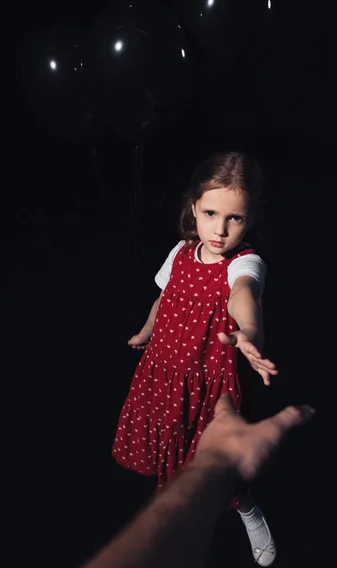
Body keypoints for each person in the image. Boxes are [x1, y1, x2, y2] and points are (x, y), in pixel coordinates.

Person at [112, 151, 279, 565]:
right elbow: (164, 298)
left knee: (215, 462)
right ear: (194, 208)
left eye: (234, 219)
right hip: (166, 374)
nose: (220, 231)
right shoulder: (182, 252)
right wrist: (146, 332)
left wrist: (249, 334)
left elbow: (243, 296)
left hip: (209, 386)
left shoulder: (245, 264)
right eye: (210, 213)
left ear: (251, 218)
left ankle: (247, 509)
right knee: (175, 453)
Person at [85, 396, 315, 568]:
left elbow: (252, 330)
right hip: (168, 361)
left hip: (218, 361)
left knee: (225, 429)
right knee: (175, 442)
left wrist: (250, 330)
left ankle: (244, 504)